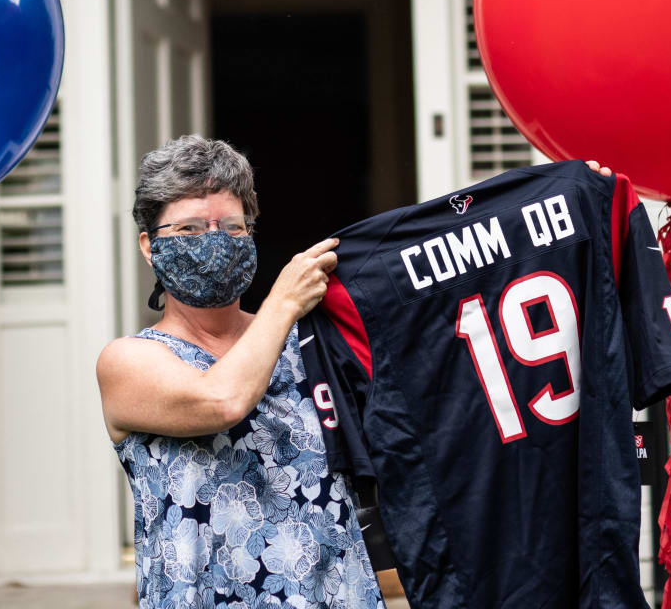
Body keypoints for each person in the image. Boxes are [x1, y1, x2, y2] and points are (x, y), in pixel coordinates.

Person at [95, 135, 612, 608]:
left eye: (230, 226)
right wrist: (284, 301)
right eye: (189, 228)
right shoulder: (129, 362)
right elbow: (221, 401)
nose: (214, 240)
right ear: (149, 245)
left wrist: (568, 198)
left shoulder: (312, 341)